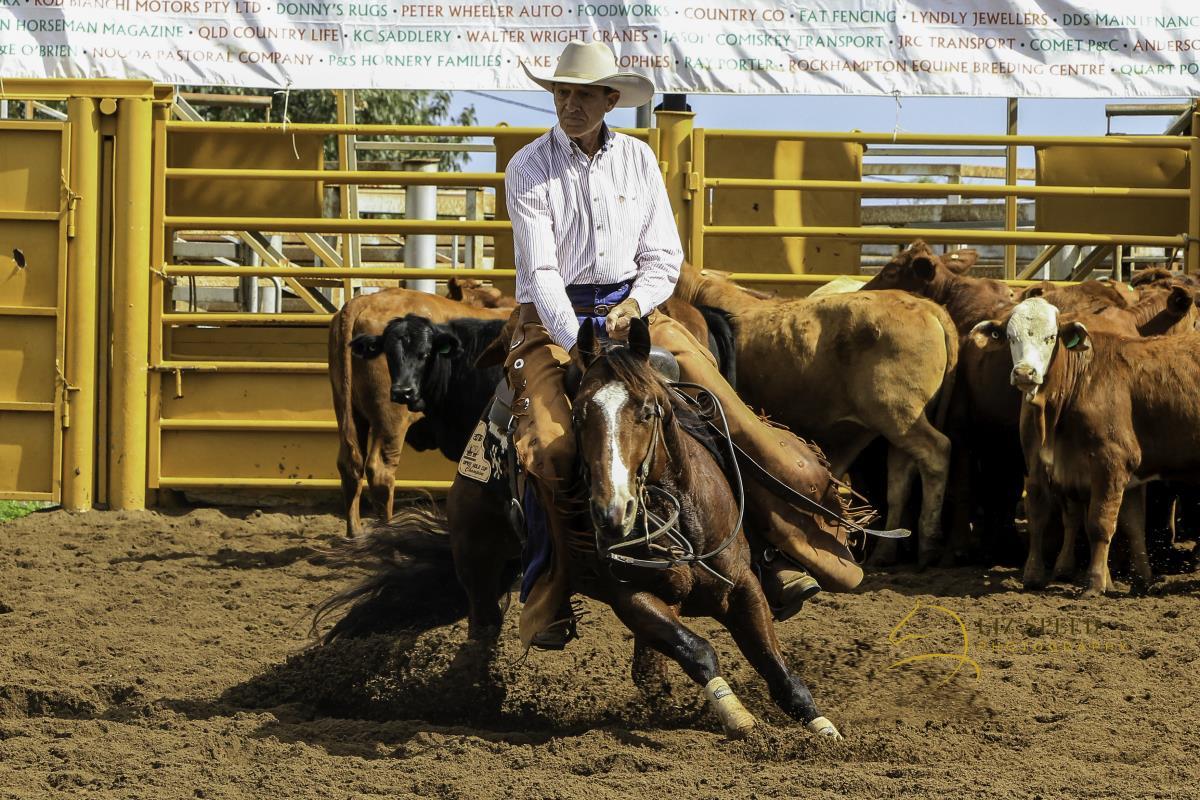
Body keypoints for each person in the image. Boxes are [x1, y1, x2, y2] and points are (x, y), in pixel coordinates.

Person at [503, 42, 863, 650]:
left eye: (582, 94)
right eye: (561, 93)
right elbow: (540, 272)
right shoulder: (528, 167)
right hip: (550, 321)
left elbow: (663, 255)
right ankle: (549, 584)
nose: (569, 104)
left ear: (609, 100)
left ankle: (778, 548)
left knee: (724, 414)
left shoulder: (638, 159)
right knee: (551, 447)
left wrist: (635, 306)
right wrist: (581, 337)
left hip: (633, 311)